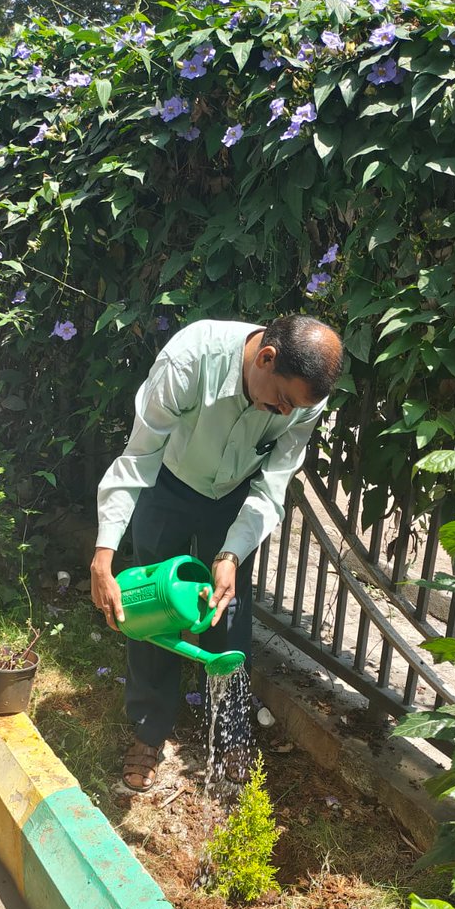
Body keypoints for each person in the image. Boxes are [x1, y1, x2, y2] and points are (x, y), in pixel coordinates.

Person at [90, 314, 343, 791]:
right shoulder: (192, 359)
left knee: (226, 611)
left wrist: (230, 553)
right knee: (148, 603)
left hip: (233, 497)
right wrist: (103, 555)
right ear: (265, 359)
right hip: (167, 481)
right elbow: (138, 457)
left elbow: (272, 487)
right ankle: (149, 730)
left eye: (296, 409)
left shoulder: (304, 400)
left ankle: (229, 739)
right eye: (282, 401)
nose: (286, 415)